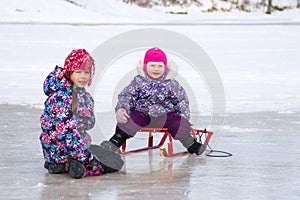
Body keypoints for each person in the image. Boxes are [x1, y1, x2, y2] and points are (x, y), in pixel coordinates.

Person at [101, 47, 206, 155]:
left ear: (165, 67)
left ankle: (191, 144)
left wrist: (184, 118)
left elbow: (181, 101)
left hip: (165, 116)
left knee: (176, 122)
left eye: (160, 66)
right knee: (131, 119)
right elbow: (127, 96)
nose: (156, 69)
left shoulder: (171, 83)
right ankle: (115, 141)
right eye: (152, 65)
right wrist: (122, 109)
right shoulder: (138, 81)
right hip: (143, 114)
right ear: (146, 67)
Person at [40, 49, 123, 179]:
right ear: (69, 72)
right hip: (69, 148)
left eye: (86, 72)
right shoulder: (63, 97)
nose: (83, 76)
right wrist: (87, 158)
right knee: (115, 162)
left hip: (56, 152)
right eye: (78, 72)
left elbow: (88, 123)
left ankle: (60, 165)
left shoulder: (81, 95)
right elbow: (66, 133)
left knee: (108, 154)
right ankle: (82, 168)